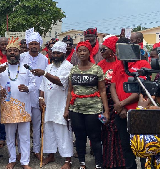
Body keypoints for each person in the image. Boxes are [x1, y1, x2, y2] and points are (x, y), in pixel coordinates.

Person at [65, 41, 110, 169]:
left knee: (95, 136)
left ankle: (98, 164)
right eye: (80, 51)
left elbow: (102, 91)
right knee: (79, 137)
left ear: (89, 52)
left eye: (85, 50)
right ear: (77, 53)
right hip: (76, 109)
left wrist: (106, 111)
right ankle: (82, 163)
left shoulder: (96, 69)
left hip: (93, 109)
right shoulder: (73, 70)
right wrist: (66, 109)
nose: (82, 53)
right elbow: (70, 91)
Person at [0, 38, 35, 169]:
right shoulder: (0, 68)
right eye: (10, 50)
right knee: (10, 136)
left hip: (23, 107)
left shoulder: (26, 68)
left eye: (15, 51)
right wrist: (0, 91)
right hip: (7, 107)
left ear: (19, 53)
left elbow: (34, 84)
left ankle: (25, 162)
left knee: (25, 136)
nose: (12, 53)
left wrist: (28, 88)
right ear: (6, 52)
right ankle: (12, 159)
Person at [110, 34, 151, 169]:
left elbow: (142, 88)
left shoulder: (142, 64)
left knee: (143, 145)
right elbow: (113, 86)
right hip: (121, 113)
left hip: (138, 112)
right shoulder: (118, 64)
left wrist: (122, 104)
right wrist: (119, 107)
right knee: (126, 146)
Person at [32, 41, 73, 169]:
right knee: (48, 131)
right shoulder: (49, 67)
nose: (55, 55)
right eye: (53, 53)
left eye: (58, 53)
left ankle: (67, 159)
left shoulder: (68, 66)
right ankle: (51, 155)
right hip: (49, 105)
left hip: (61, 105)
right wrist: (40, 97)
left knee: (63, 132)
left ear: (64, 53)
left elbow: (61, 82)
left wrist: (44, 73)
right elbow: (43, 85)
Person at [98, 36, 126, 169]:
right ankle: (108, 163)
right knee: (106, 132)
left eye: (104, 49)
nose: (101, 52)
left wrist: (120, 104)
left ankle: (120, 163)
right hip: (104, 103)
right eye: (100, 50)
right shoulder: (100, 65)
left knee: (119, 133)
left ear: (112, 50)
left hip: (118, 101)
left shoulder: (120, 64)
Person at [20, 28, 48, 159]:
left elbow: (45, 79)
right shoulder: (21, 57)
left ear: (40, 45)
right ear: (28, 45)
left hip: (38, 96)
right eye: (31, 44)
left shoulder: (45, 59)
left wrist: (42, 96)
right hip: (23, 96)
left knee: (37, 125)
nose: (33, 46)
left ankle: (36, 149)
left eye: (36, 44)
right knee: (23, 125)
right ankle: (22, 151)